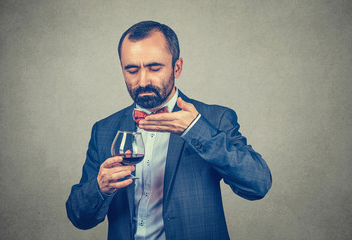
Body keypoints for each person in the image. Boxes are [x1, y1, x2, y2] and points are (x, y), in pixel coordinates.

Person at [66, 20, 272, 240]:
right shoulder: (103, 130)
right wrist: (100, 188)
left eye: (154, 68)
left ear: (177, 67)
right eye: (132, 70)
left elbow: (258, 185)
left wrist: (195, 129)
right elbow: (79, 217)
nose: (143, 80)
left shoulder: (214, 118)